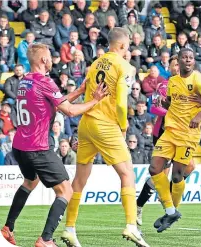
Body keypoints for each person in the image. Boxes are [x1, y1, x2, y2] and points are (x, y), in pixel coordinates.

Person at [0, 43, 107, 247]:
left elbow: (55, 102)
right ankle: (45, 239)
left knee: (30, 182)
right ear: (43, 60)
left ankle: (8, 228)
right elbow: (70, 111)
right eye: (49, 56)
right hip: (37, 147)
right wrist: (94, 100)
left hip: (20, 146)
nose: (51, 59)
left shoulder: (25, 81)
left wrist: (79, 91)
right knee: (66, 190)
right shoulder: (45, 82)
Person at [60, 28, 149, 247]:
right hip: (105, 125)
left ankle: (69, 228)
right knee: (127, 173)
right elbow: (120, 102)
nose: (128, 49)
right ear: (122, 45)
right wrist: (123, 126)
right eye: (127, 45)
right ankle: (131, 225)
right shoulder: (125, 67)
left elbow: (83, 89)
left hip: (85, 124)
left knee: (79, 180)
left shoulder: (95, 64)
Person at [149, 48, 201, 232]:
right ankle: (170, 211)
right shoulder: (172, 81)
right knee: (154, 168)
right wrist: (162, 103)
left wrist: (199, 116)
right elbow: (172, 102)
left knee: (177, 175)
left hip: (188, 134)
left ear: (193, 61)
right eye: (184, 57)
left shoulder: (198, 79)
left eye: (191, 57)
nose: (188, 60)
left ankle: (173, 210)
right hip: (170, 131)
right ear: (178, 61)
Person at [135, 55, 196, 227]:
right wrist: (174, 113)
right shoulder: (164, 85)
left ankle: (167, 201)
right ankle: (138, 207)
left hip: (184, 134)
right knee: (160, 175)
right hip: (164, 133)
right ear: (169, 68)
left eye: (180, 63)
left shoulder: (191, 83)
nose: (178, 66)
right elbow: (154, 107)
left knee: (190, 166)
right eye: (175, 64)